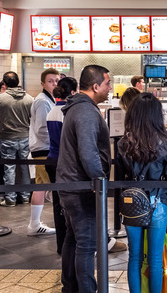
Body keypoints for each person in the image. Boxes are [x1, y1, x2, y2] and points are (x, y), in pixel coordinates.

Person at [58, 65, 113, 293]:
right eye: (108, 83)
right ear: (95, 85)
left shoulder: (78, 108)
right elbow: (88, 151)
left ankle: (69, 286)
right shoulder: (86, 112)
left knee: (74, 238)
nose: (110, 88)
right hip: (81, 188)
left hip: (70, 184)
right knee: (87, 243)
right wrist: (98, 180)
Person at [117, 93, 167, 293]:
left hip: (131, 203)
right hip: (157, 202)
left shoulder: (123, 144)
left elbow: (119, 179)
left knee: (134, 257)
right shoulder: (166, 144)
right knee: (156, 259)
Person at [0, 71, 34, 207]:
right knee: (25, 167)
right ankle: (26, 196)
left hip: (7, 137)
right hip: (25, 137)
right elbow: (33, 116)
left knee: (9, 168)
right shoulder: (29, 98)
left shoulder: (0, 98)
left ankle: (10, 198)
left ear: (5, 83)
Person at [45, 76, 78, 255]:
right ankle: (70, 245)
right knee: (70, 206)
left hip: (52, 159)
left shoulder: (52, 111)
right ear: (73, 92)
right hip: (64, 162)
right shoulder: (68, 112)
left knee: (58, 205)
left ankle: (61, 245)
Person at [27, 68, 59, 236]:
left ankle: (38, 223)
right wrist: (57, 137)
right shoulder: (41, 101)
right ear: (42, 83)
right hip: (43, 148)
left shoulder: (49, 99)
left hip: (46, 147)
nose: (54, 83)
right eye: (50, 81)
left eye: (56, 81)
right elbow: (42, 128)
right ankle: (34, 224)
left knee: (45, 186)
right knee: (41, 186)